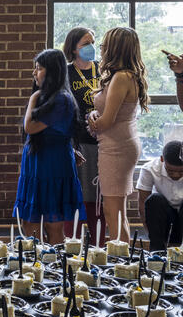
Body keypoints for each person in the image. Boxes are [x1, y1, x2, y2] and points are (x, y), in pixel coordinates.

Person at [13, 49, 86, 244]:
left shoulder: (61, 99)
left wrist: (33, 98)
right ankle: (33, 269)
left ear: (52, 71)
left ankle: (55, 271)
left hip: (52, 166)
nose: (34, 73)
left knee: (52, 226)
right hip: (37, 163)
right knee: (30, 224)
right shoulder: (49, 97)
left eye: (39, 68)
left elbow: (30, 127)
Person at [87, 27, 148, 242]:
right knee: (116, 210)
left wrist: (92, 120)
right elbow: (106, 114)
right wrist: (95, 113)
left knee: (113, 212)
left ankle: (120, 262)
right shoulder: (123, 75)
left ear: (114, 49)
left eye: (104, 45)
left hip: (117, 148)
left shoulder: (122, 77)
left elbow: (106, 121)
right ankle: (123, 259)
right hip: (118, 143)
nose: (100, 49)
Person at [63, 27, 106, 244]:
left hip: (104, 140)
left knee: (98, 196)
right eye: (85, 43)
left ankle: (98, 243)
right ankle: (73, 243)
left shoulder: (103, 69)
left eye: (93, 42)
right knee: (77, 193)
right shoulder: (67, 72)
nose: (90, 47)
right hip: (78, 140)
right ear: (73, 48)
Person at [137, 141, 183, 251]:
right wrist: (153, 235)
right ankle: (158, 253)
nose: (176, 175)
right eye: (171, 171)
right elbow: (143, 204)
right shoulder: (149, 169)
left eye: (181, 171)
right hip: (163, 215)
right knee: (154, 200)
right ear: (162, 159)